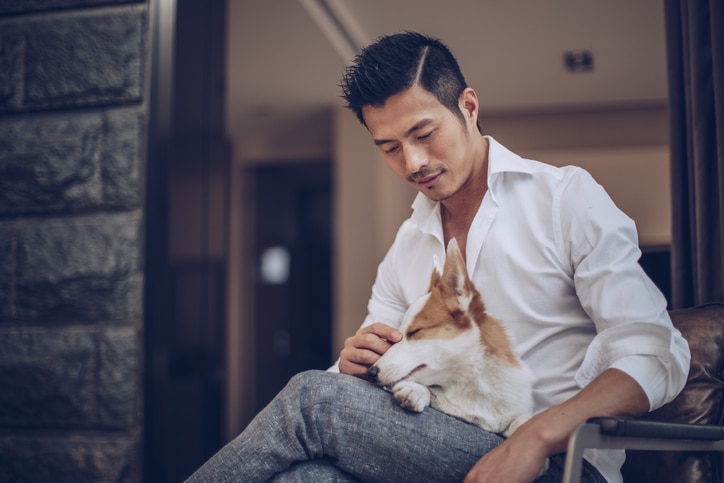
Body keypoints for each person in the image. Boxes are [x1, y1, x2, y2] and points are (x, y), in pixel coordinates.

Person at [186, 31, 690, 483]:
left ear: (468, 106)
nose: (413, 162)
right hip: (433, 438)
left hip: (559, 463)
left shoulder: (564, 199)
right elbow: (365, 378)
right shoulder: (409, 242)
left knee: (310, 399)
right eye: (389, 148)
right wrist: (354, 363)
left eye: (424, 134)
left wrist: (533, 438)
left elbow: (656, 354)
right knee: (310, 478)